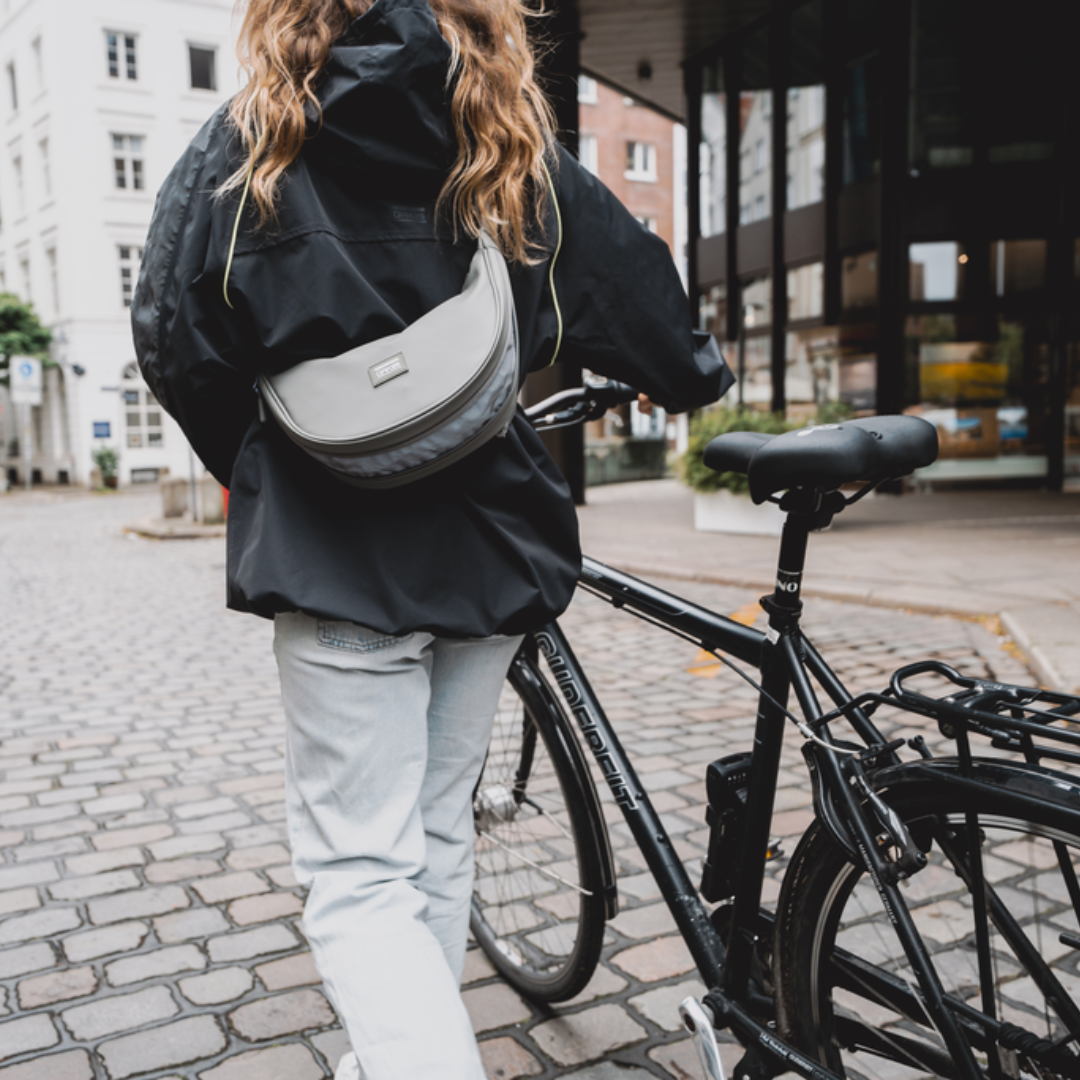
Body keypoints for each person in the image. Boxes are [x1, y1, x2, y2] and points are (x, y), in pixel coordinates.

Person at [131, 0, 726, 1076]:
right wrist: (691, 378)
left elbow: (173, 335)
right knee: (437, 831)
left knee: (359, 869)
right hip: (487, 545)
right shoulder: (503, 140)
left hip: (336, 555)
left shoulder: (249, 142)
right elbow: (633, 287)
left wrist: (270, 467)